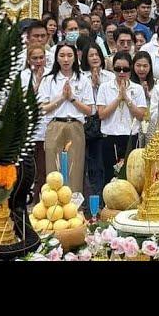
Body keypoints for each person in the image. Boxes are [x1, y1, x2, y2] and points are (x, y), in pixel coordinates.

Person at [39, 43, 95, 194]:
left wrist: (71, 99)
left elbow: (90, 110)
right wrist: (62, 98)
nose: (66, 59)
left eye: (69, 55)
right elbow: (42, 108)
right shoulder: (49, 80)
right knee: (53, 169)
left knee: (74, 169)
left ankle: (74, 208)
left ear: (75, 58)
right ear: (56, 58)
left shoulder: (83, 79)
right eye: (62, 56)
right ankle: (52, 206)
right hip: (55, 125)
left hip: (75, 125)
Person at [97, 52, 147, 185]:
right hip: (110, 136)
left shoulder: (137, 89)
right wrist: (119, 98)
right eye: (118, 69)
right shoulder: (104, 87)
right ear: (113, 69)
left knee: (132, 177)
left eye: (125, 69)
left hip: (131, 137)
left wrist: (127, 99)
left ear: (130, 69)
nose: (121, 72)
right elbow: (102, 114)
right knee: (110, 176)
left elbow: (141, 115)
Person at [80, 42, 115, 201]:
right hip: (87, 123)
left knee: (103, 163)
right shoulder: (81, 77)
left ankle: (105, 197)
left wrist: (99, 85)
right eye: (91, 55)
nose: (94, 58)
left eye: (96, 54)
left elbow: (111, 99)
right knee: (89, 164)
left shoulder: (110, 76)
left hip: (106, 122)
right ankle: (91, 197)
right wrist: (92, 85)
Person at [20, 43, 50, 202]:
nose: (38, 61)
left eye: (41, 57)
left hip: (48, 128)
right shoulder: (24, 76)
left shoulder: (52, 74)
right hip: (31, 130)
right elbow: (25, 100)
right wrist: (37, 83)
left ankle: (43, 201)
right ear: (28, 59)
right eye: (35, 58)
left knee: (44, 171)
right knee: (31, 170)